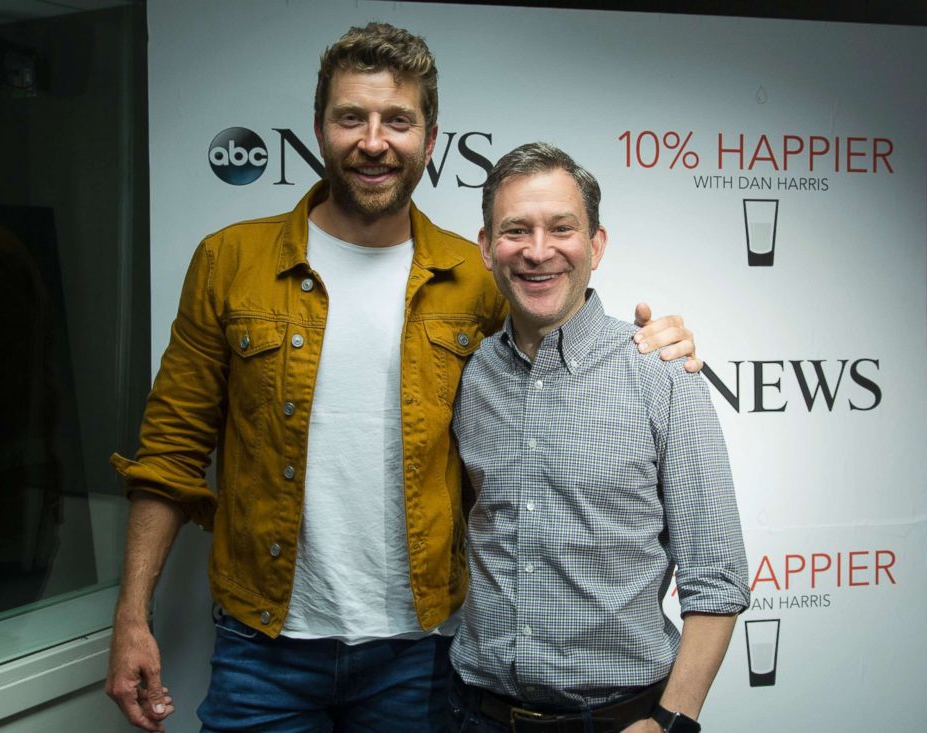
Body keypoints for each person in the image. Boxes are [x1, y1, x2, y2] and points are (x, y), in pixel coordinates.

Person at [104, 24, 701, 733]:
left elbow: (561, 348)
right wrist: (132, 614)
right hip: (262, 646)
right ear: (319, 127)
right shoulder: (229, 261)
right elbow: (170, 451)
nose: (374, 141)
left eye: (398, 120)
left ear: (431, 136)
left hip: (424, 651)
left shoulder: (472, 280)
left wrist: (658, 344)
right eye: (351, 117)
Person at [449, 143, 749, 733]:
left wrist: (671, 721)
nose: (539, 251)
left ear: (597, 245)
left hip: (621, 719)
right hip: (473, 713)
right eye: (516, 231)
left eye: (562, 228)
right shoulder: (467, 375)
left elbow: (715, 575)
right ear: (486, 248)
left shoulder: (662, 372)